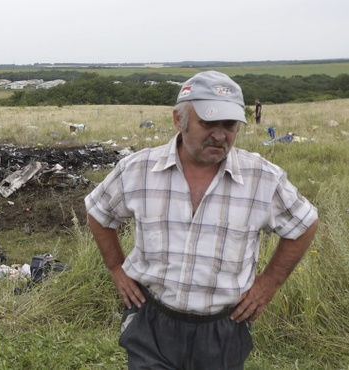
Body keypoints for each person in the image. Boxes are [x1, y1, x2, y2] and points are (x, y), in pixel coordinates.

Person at [85, 71, 318, 370]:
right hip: (152, 320)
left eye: (230, 125)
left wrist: (270, 283)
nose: (220, 135)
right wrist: (116, 267)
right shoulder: (137, 169)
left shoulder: (263, 178)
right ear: (178, 120)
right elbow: (99, 212)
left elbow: (304, 224)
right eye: (208, 123)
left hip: (223, 328)